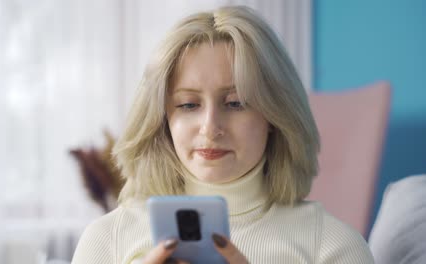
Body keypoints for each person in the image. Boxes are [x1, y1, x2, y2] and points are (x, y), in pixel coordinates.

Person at [72, 6, 374, 264]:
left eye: (235, 103)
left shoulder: (333, 246)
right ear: (164, 119)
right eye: (188, 105)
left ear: (274, 114)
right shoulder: (105, 240)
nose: (210, 127)